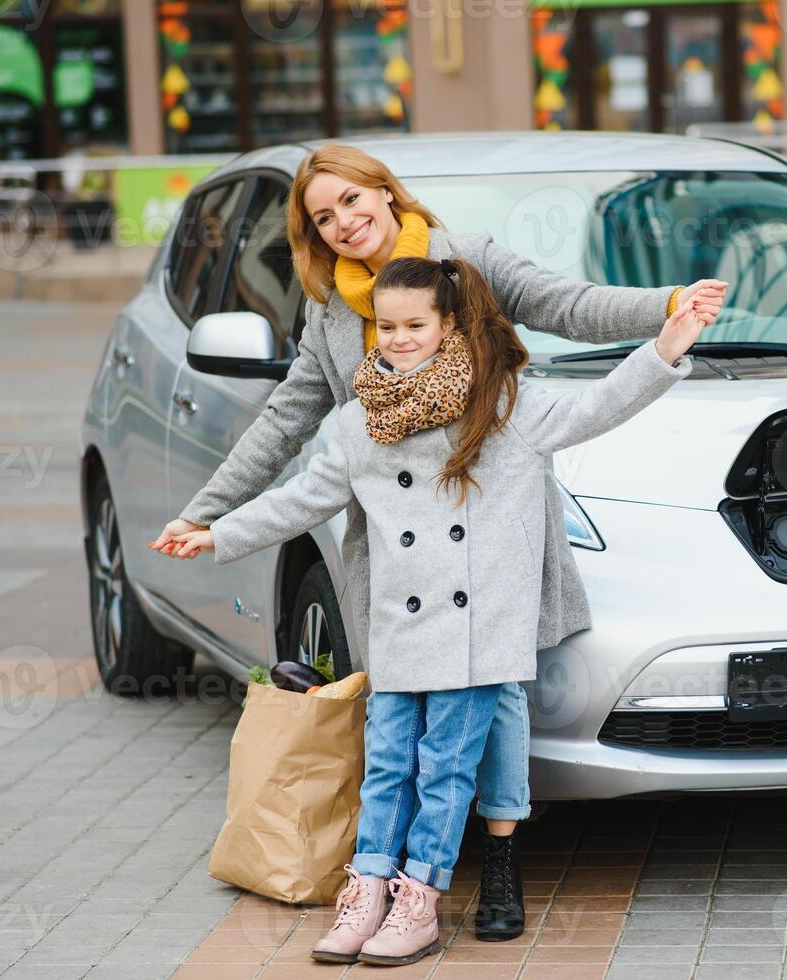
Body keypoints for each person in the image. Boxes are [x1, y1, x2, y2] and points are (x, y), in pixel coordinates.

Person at [148, 143, 727, 939]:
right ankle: (389, 884)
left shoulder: (470, 271)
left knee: (494, 708)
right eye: (324, 217)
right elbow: (287, 430)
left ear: (385, 195)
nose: (345, 222)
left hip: (490, 518)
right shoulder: (332, 318)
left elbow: (569, 305)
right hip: (396, 546)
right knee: (397, 740)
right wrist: (206, 517)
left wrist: (666, 311)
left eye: (353, 201)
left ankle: (495, 862)